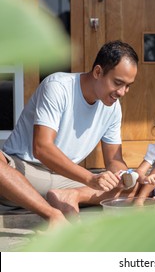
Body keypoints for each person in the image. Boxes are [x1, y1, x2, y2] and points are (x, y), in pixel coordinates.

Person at [0, 40, 140, 223]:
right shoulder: (58, 87)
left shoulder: (113, 107)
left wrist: (126, 177)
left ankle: (71, 196)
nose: (122, 92)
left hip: (65, 179)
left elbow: (114, 160)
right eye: (118, 83)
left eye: (128, 86)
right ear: (98, 72)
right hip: (24, 171)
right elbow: (42, 148)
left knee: (136, 187)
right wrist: (90, 178)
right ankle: (53, 215)